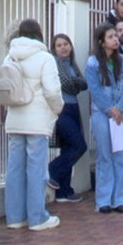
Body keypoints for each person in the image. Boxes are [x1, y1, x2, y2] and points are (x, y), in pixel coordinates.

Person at [4, 19, 64, 231]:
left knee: (14, 169)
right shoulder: (45, 58)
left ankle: (14, 216)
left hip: (14, 119)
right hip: (37, 121)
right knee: (36, 168)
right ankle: (37, 217)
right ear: (40, 34)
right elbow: (52, 91)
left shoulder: (10, 56)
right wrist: (57, 109)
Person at [85, 24, 123, 213]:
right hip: (101, 114)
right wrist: (110, 109)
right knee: (105, 155)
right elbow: (95, 90)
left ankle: (119, 200)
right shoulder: (92, 63)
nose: (115, 39)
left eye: (116, 36)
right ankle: (104, 200)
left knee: (121, 155)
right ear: (101, 41)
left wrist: (120, 108)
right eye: (111, 37)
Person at [48, 33, 88, 203]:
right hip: (62, 109)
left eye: (66, 44)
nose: (63, 47)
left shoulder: (72, 65)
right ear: (54, 49)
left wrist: (75, 82)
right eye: (59, 45)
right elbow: (69, 84)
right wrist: (75, 82)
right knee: (80, 146)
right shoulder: (54, 64)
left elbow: (83, 84)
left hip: (74, 107)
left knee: (68, 147)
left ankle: (64, 191)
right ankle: (52, 171)